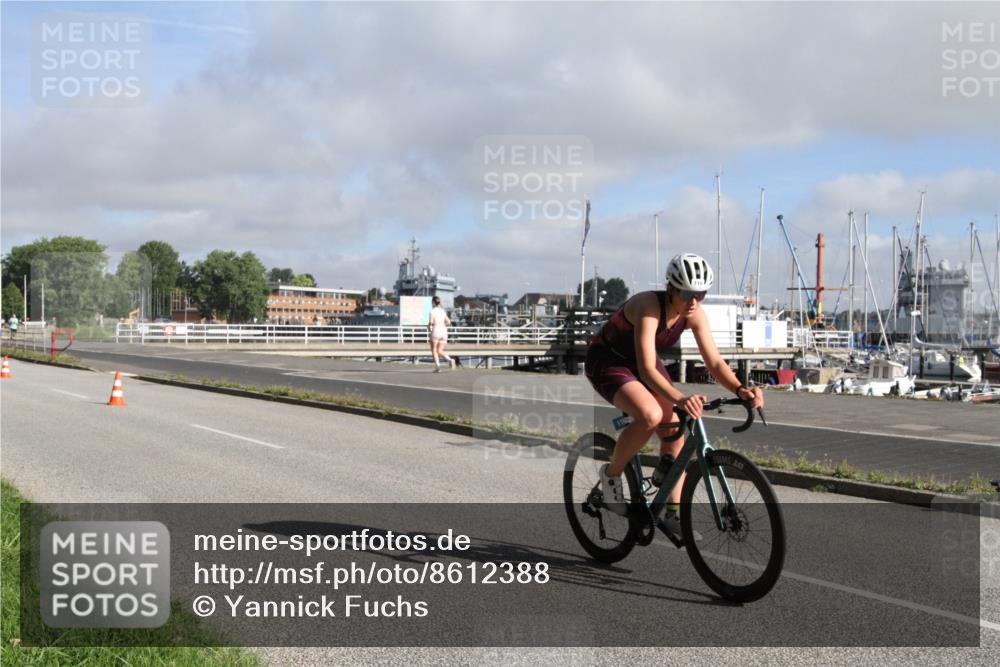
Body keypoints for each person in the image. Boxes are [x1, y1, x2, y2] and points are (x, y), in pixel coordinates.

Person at [584, 253, 764, 543]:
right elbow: (645, 367)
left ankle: (671, 512)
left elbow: (715, 363)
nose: (693, 301)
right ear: (670, 289)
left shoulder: (695, 313)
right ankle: (611, 476)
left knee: (676, 431)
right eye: (686, 294)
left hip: (643, 363)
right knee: (651, 415)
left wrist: (741, 389)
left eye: (700, 294)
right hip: (609, 362)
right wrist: (681, 397)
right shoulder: (648, 306)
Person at [427, 296, 454, 372]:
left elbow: (431, 323)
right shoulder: (442, 311)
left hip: (436, 330)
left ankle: (437, 367)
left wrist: (428, 327)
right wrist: (442, 324)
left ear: (433, 302)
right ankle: (450, 360)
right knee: (440, 350)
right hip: (444, 331)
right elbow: (448, 322)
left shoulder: (432, 311)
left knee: (434, 350)